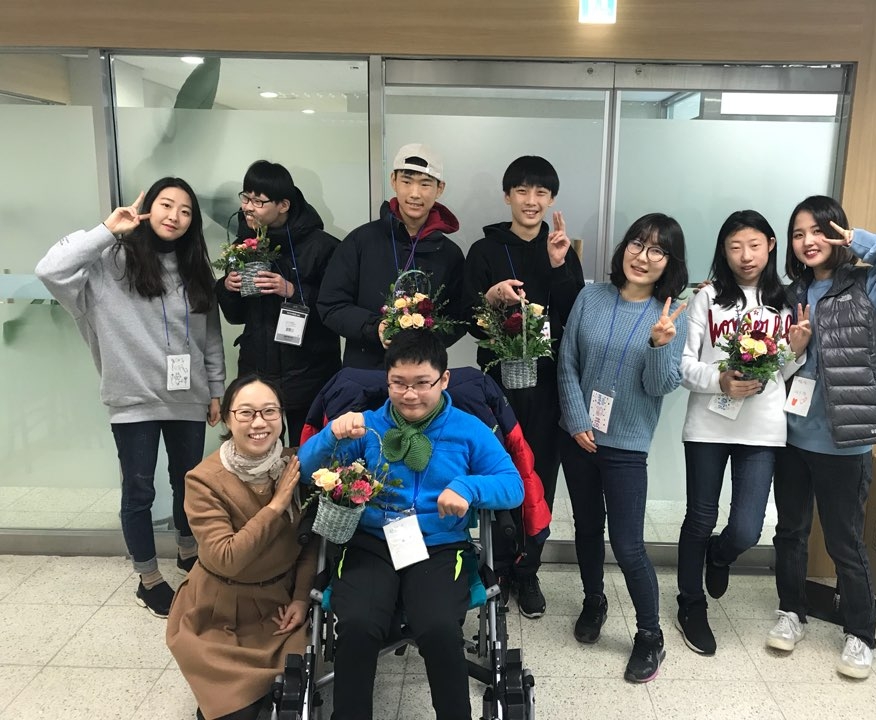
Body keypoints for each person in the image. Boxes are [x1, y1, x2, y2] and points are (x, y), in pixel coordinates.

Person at [298, 330, 524, 720]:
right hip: (371, 542)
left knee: (438, 626)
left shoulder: (468, 430)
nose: (409, 395)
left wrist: (468, 487)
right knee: (359, 624)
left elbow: (513, 486)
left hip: (439, 546)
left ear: (444, 379)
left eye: (422, 383)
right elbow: (304, 469)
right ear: (387, 380)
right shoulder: (368, 426)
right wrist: (330, 435)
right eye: (398, 383)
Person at [768, 195, 876, 679]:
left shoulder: (872, 286)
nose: (808, 241)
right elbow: (774, 361)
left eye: (819, 231)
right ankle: (791, 611)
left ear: (837, 233)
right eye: (799, 234)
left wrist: (863, 241)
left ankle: (861, 634)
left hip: (847, 441)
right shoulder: (791, 294)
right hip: (792, 435)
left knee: (844, 541)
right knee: (790, 532)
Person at [35, 178, 225, 617]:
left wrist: (216, 389)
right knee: (139, 490)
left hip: (188, 398)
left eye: (185, 211)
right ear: (147, 208)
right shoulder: (108, 264)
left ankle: (187, 551)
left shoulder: (196, 268)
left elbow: (210, 337)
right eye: (166, 205)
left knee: (188, 482)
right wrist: (106, 230)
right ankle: (148, 578)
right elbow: (50, 270)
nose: (174, 216)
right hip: (133, 400)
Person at [557, 213, 688, 684]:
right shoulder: (590, 296)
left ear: (669, 263)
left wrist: (659, 344)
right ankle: (594, 600)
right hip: (578, 437)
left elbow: (659, 386)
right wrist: (576, 419)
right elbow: (567, 362)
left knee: (629, 544)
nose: (643, 256)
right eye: (637, 243)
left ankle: (650, 635)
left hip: (627, 445)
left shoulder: (670, 315)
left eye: (657, 250)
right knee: (587, 527)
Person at [675, 210, 811, 656]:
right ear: (724, 251)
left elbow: (782, 373)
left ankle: (720, 554)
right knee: (699, 518)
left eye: (754, 245)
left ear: (771, 245)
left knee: (748, 529)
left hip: (763, 427)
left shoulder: (785, 301)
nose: (745, 256)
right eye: (735, 247)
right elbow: (684, 365)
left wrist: (795, 350)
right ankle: (690, 604)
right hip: (707, 425)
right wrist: (720, 380)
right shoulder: (708, 296)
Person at [462, 155, 583, 619]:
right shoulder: (484, 251)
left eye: (541, 193)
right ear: (507, 196)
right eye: (522, 191)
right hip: (496, 387)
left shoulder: (560, 248)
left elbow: (573, 314)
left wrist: (558, 264)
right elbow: (470, 323)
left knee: (540, 478)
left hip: (548, 387)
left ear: (551, 200)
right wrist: (490, 301)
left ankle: (528, 570)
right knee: (496, 472)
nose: (531, 201)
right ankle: (496, 569)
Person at [167, 375, 319, 720]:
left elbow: (311, 541)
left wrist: (300, 597)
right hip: (218, 612)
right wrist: (276, 506)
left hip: (278, 608)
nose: (259, 423)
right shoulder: (203, 480)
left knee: (284, 701)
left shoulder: (296, 465)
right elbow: (226, 558)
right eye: (246, 413)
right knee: (233, 712)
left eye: (269, 411)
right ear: (226, 418)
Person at [216, 160, 341, 446]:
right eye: (246, 198)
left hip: (310, 371)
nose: (248, 207)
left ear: (283, 205)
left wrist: (292, 290)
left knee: (308, 454)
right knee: (258, 451)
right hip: (257, 369)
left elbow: (337, 310)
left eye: (258, 201)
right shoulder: (242, 246)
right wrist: (227, 288)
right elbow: (236, 316)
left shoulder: (322, 246)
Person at [316, 143, 467, 369]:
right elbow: (331, 305)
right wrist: (374, 327)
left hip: (423, 376)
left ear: (440, 189)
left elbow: (459, 317)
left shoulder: (449, 254)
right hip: (365, 373)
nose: (415, 193)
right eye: (407, 181)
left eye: (425, 184)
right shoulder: (361, 240)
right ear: (393, 180)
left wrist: (427, 338)